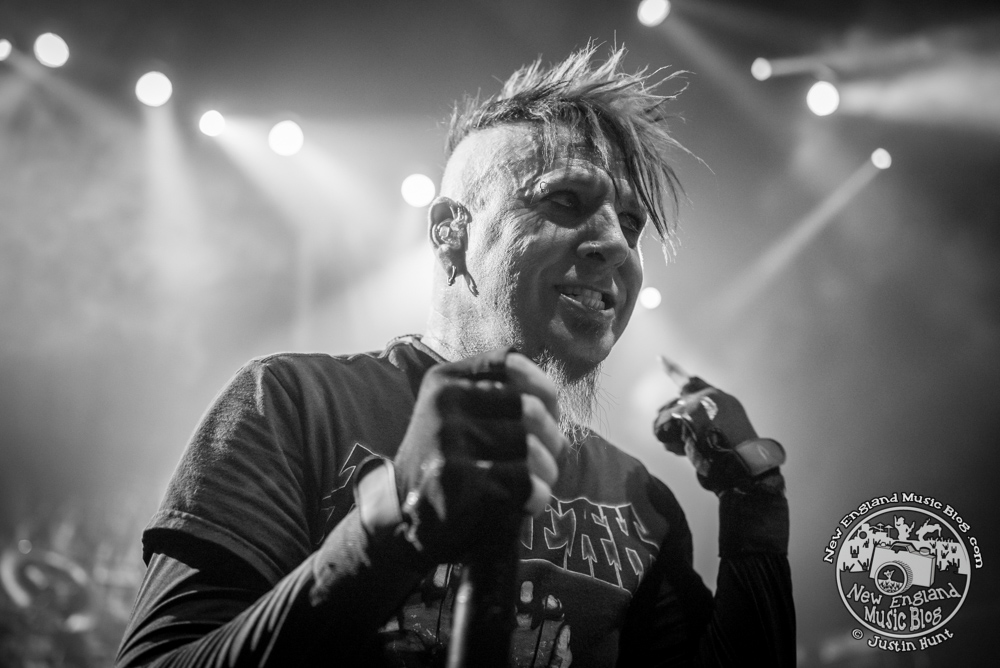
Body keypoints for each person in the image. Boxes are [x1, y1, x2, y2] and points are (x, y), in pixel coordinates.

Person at [116, 44, 794, 667]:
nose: (616, 243)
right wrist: (394, 521)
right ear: (450, 232)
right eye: (565, 198)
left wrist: (753, 512)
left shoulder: (640, 501)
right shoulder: (293, 405)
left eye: (632, 223)